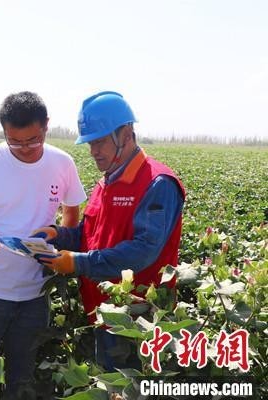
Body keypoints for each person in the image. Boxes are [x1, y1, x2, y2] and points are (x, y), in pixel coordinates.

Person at [34, 91, 186, 371]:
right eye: (90, 143)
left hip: (137, 320)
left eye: (100, 141)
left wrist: (78, 263)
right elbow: (90, 235)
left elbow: (143, 251)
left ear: (126, 134)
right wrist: (59, 235)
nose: (93, 151)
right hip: (104, 312)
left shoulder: (158, 183)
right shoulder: (106, 182)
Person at [0, 91, 87, 398]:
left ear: (47, 126)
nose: (25, 148)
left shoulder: (62, 163)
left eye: (34, 140)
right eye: (16, 142)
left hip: (34, 294)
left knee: (22, 379)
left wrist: (59, 243)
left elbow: (72, 211)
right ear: (4, 132)